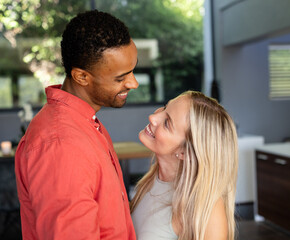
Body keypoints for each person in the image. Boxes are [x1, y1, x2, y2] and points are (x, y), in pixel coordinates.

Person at [15, 10, 138, 239]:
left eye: (132, 71)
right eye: (120, 78)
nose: (134, 83)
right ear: (82, 77)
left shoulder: (82, 122)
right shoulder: (62, 144)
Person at [131, 91, 239, 240]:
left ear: (184, 152)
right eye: (164, 107)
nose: (153, 117)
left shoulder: (207, 210)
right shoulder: (150, 181)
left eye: (167, 123)